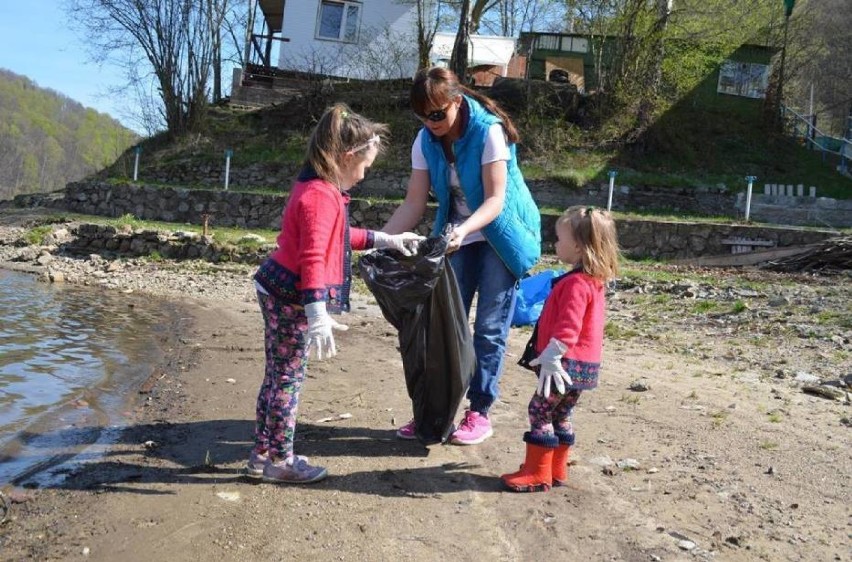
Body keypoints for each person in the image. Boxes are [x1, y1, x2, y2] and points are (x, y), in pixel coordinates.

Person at [246, 103, 423, 484]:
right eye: (365, 166)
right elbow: (312, 257)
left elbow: (340, 236)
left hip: (279, 289)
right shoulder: (319, 196)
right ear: (347, 157)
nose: (364, 175)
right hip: (290, 296)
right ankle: (279, 461)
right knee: (287, 380)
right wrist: (316, 313)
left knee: (277, 376)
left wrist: (388, 239)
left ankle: (263, 454)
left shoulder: (321, 188)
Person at [383, 66, 541, 445]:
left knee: (488, 328)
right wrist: (378, 241)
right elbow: (413, 203)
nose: (430, 122)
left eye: (437, 114)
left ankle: (479, 411)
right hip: (456, 234)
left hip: (499, 234)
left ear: (456, 102)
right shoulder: (424, 140)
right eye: (422, 116)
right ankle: (436, 415)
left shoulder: (489, 132)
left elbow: (495, 201)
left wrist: (464, 230)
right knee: (444, 329)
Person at [501, 206, 620, 492]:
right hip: (584, 365)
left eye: (559, 238)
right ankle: (555, 468)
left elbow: (570, 324)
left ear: (577, 246)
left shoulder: (576, 284)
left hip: (562, 364)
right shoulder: (595, 281)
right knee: (562, 414)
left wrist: (554, 354)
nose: (555, 244)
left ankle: (537, 472)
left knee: (539, 411)